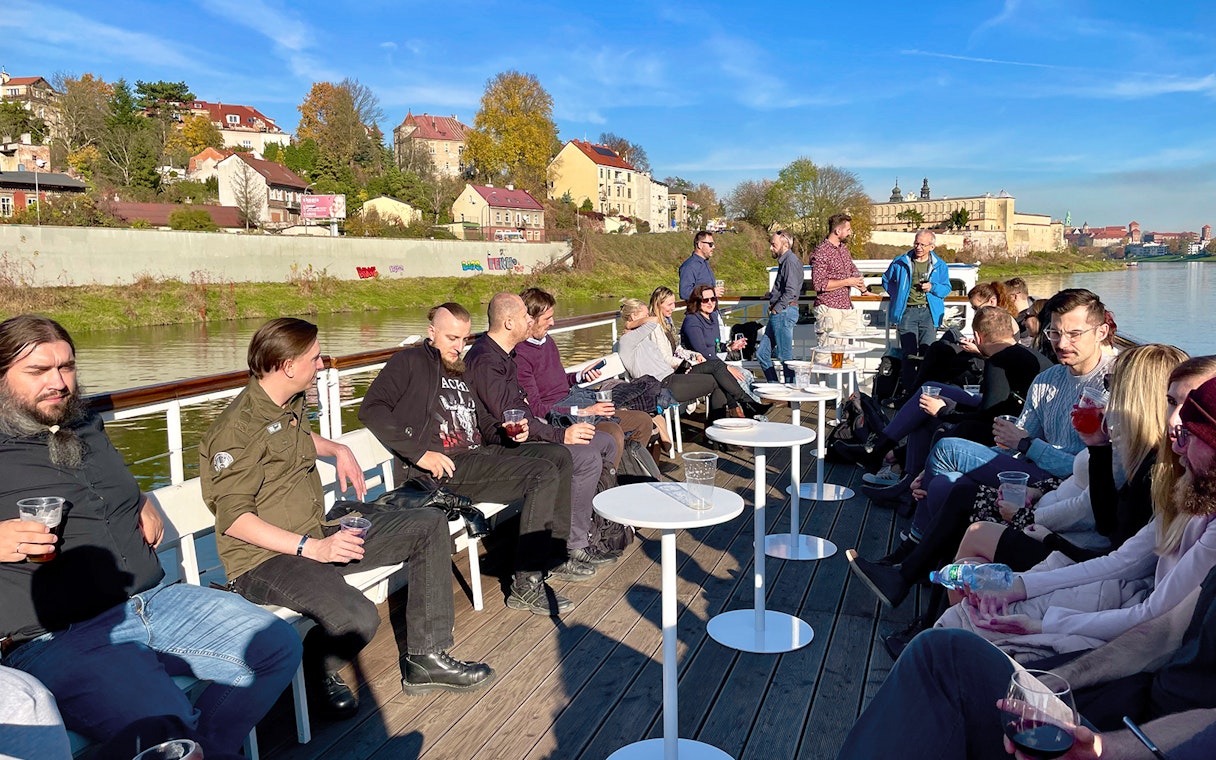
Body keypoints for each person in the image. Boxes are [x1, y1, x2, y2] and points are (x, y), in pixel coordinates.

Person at [0, 315, 301, 754]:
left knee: (276, 647)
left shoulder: (83, 424)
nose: (59, 383)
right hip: (65, 638)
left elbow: (101, 484)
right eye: (38, 371)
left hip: (153, 601)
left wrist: (138, 497)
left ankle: (208, 750)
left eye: (66, 367)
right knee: (167, 728)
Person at [201, 318, 494, 721]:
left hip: (317, 530)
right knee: (357, 618)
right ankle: (313, 666)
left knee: (427, 523)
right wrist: (313, 548)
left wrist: (335, 448)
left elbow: (292, 440)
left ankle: (426, 658)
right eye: (315, 358)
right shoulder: (235, 430)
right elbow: (233, 519)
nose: (321, 365)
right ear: (288, 366)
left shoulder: (288, 402)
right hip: (264, 560)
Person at [847, 344, 1185, 614]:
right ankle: (911, 573)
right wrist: (1045, 485)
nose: (1106, 393)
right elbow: (1097, 505)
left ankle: (912, 581)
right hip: (1050, 512)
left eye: (1112, 385)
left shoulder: (1143, 460)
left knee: (965, 500)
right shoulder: (1120, 441)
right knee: (957, 486)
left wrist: (1029, 517)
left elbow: (1102, 525)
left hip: (1065, 543)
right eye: (1055, 332)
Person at [933, 373, 1216, 662]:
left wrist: (1036, 523)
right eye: (1172, 403)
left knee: (963, 603)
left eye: (1189, 427)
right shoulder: (1172, 480)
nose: (1174, 427)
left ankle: (913, 591)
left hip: (1097, 575)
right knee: (968, 584)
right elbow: (1122, 556)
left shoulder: (1160, 474)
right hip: (1094, 569)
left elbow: (1149, 604)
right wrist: (1020, 585)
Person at [836, 571, 1216, 760]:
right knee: (948, 651)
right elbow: (1164, 631)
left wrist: (1108, 747)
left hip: (1146, 747)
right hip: (1134, 714)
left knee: (944, 656)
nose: (1174, 425)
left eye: (1198, 422)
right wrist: (1050, 684)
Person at [359, 303, 579, 616]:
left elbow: (481, 424)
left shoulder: (459, 369)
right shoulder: (409, 361)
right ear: (431, 333)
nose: (458, 346)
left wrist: (507, 433)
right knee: (541, 474)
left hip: (480, 453)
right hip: (445, 467)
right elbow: (372, 409)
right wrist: (419, 453)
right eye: (451, 338)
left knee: (558, 456)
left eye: (463, 339)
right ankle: (525, 584)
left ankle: (553, 556)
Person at [954, 352, 1215, 576]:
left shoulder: (1156, 469)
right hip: (1065, 538)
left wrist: (1037, 525)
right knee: (965, 530)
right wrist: (1096, 446)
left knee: (971, 524)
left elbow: (1119, 555)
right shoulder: (1138, 452)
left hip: (1079, 551)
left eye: (1112, 384)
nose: (1108, 394)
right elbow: (1109, 524)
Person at [465, 293, 619, 568]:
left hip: (530, 431)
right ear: (509, 322)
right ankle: (573, 544)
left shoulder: (506, 354)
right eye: (526, 316)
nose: (530, 320)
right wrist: (560, 434)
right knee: (585, 457)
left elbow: (524, 407)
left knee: (605, 441)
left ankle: (590, 530)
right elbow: (513, 418)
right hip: (505, 445)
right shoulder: (487, 361)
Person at [837, 306, 1052, 492]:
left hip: (1008, 438)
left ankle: (890, 464)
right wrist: (953, 406)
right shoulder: (1022, 354)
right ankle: (896, 470)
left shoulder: (999, 361)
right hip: (1027, 431)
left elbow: (988, 419)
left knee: (928, 408)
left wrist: (945, 411)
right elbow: (997, 405)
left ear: (978, 337)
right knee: (928, 393)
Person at [514, 287, 660, 466]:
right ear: (530, 320)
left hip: (576, 399)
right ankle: (606, 485)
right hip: (562, 416)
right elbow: (536, 408)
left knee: (643, 421)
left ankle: (627, 470)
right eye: (547, 319)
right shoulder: (520, 355)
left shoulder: (547, 341)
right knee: (612, 432)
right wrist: (586, 411)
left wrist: (580, 377)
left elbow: (558, 381)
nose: (552, 323)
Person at [617, 298, 757, 422]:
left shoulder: (639, 339)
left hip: (672, 376)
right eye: (645, 314)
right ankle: (740, 409)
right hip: (660, 386)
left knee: (716, 365)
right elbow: (654, 321)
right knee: (717, 381)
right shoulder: (627, 340)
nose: (648, 316)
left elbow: (659, 361)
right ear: (634, 316)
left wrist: (683, 366)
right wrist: (629, 325)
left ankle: (745, 403)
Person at [882, 230, 953, 392]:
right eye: (916, 243)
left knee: (928, 354)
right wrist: (898, 295)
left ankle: (927, 391)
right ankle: (908, 393)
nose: (918, 247)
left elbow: (946, 289)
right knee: (908, 355)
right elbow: (886, 280)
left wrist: (932, 287)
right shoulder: (901, 261)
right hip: (907, 312)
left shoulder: (940, 265)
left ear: (932, 246)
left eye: (922, 244)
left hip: (929, 313)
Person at [679, 284, 752, 389]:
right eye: (705, 300)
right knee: (742, 376)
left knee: (747, 375)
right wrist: (726, 367)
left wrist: (729, 346)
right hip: (699, 365)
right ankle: (748, 404)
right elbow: (703, 351)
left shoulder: (712, 317)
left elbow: (715, 346)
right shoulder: (692, 321)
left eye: (713, 299)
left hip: (714, 363)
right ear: (697, 301)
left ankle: (750, 404)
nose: (710, 303)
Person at [757, 230, 805, 383]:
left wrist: (777, 308)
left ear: (785, 244)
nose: (771, 248)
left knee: (785, 356)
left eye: (773, 245)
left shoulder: (789, 262)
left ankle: (791, 394)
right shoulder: (787, 261)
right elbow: (787, 289)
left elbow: (790, 292)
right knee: (762, 354)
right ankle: (775, 387)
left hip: (783, 312)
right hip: (781, 311)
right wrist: (772, 296)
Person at [810, 213, 865, 336]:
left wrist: (864, 289)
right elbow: (819, 284)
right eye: (848, 230)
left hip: (846, 308)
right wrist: (847, 282)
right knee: (826, 351)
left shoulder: (843, 249)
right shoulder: (821, 252)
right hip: (829, 309)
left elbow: (853, 271)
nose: (850, 233)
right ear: (837, 230)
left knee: (845, 352)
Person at [678, 230, 723, 301]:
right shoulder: (689, 266)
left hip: (711, 311)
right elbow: (684, 293)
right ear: (700, 245)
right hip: (697, 311)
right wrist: (711, 293)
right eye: (710, 244)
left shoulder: (705, 263)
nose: (713, 247)